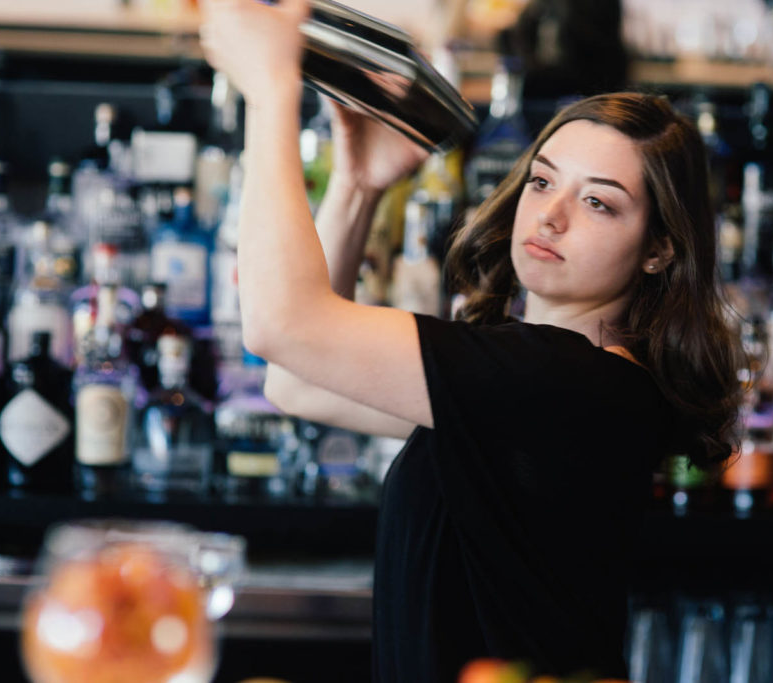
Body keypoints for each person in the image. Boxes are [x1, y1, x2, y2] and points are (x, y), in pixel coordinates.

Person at [200, 0, 743, 680]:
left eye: (598, 202)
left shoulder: (574, 383)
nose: (550, 215)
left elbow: (281, 323)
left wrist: (271, 93)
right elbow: (296, 379)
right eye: (542, 180)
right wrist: (358, 186)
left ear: (659, 249)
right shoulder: (530, 374)